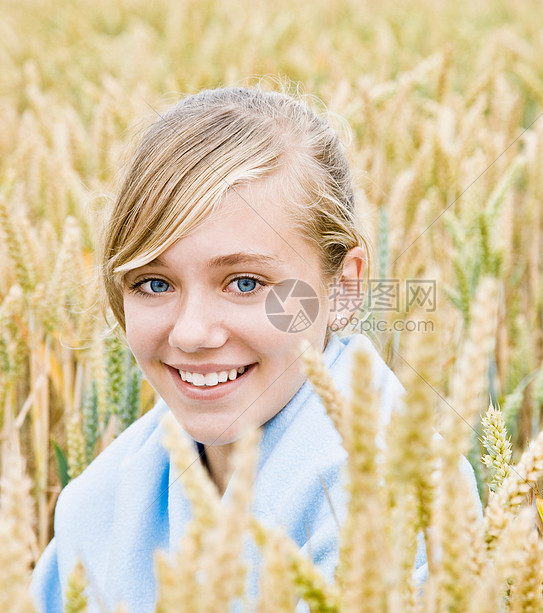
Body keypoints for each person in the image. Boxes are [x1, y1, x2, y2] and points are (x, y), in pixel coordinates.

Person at [30, 86, 478, 613]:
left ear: (343, 288)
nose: (191, 333)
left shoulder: (396, 494)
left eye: (245, 283)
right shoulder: (98, 505)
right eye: (154, 283)